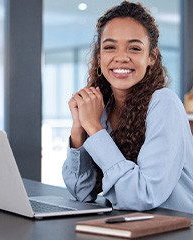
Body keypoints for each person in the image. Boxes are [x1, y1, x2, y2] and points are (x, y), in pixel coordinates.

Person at [62, 1, 193, 214]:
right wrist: (79, 128)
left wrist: (94, 129)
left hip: (178, 229)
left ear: (151, 57)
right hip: (132, 225)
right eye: (110, 47)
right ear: (99, 57)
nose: (121, 57)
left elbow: (142, 196)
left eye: (134, 48)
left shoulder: (164, 103)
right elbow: (81, 192)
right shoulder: (102, 106)